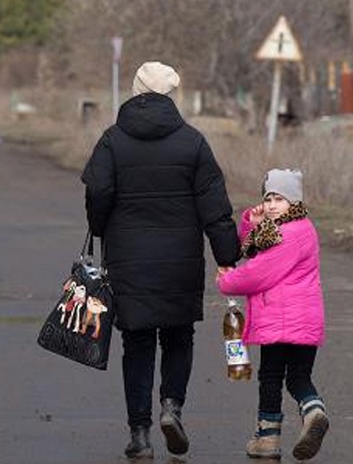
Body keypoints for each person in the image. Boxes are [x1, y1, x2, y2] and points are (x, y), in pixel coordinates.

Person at [81, 61, 241, 460]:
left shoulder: (112, 140)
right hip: (180, 259)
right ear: (172, 95)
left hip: (129, 257)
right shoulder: (193, 142)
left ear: (135, 91)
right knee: (177, 336)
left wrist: (100, 229)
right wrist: (227, 256)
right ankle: (172, 407)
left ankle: (140, 435)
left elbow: (98, 192)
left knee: (136, 343)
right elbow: (216, 208)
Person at [216, 168, 329, 461]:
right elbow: (254, 250)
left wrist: (226, 282)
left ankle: (272, 436)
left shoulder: (290, 233)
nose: (272, 205)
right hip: (303, 322)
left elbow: (258, 273)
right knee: (297, 378)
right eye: (268, 199)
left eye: (280, 198)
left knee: (271, 378)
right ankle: (310, 412)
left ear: (294, 202)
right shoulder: (290, 228)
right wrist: (250, 223)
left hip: (281, 321)